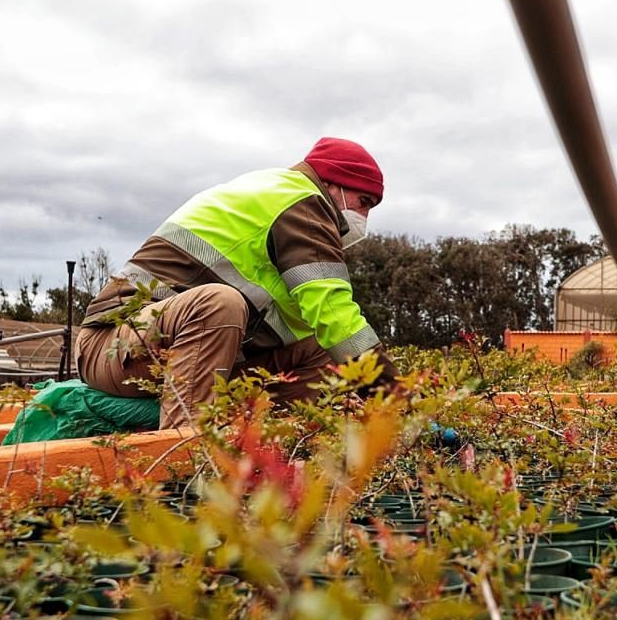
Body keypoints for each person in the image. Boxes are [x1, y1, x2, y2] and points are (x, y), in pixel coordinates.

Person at [76, 137, 399, 428]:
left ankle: (285, 442)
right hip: (110, 346)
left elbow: (325, 329)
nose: (364, 219)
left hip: (174, 349)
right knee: (219, 304)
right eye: (364, 203)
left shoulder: (281, 200)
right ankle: (186, 459)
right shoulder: (301, 202)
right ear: (333, 185)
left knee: (319, 349)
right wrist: (395, 396)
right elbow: (335, 313)